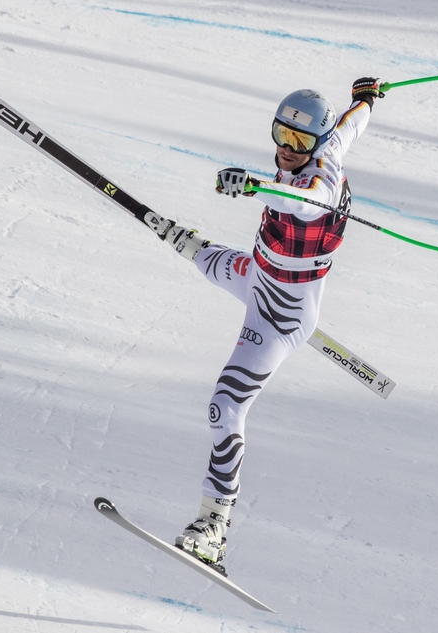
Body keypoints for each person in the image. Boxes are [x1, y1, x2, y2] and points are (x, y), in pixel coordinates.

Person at [162, 77, 384, 574]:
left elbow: (299, 204)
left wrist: (256, 186)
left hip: (280, 314)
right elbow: (350, 127)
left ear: (317, 145)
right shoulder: (325, 144)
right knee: (192, 249)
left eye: (301, 142)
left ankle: (213, 527)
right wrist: (366, 98)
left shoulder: (321, 183)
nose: (287, 149)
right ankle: (188, 242)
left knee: (225, 406)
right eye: (281, 135)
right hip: (254, 273)